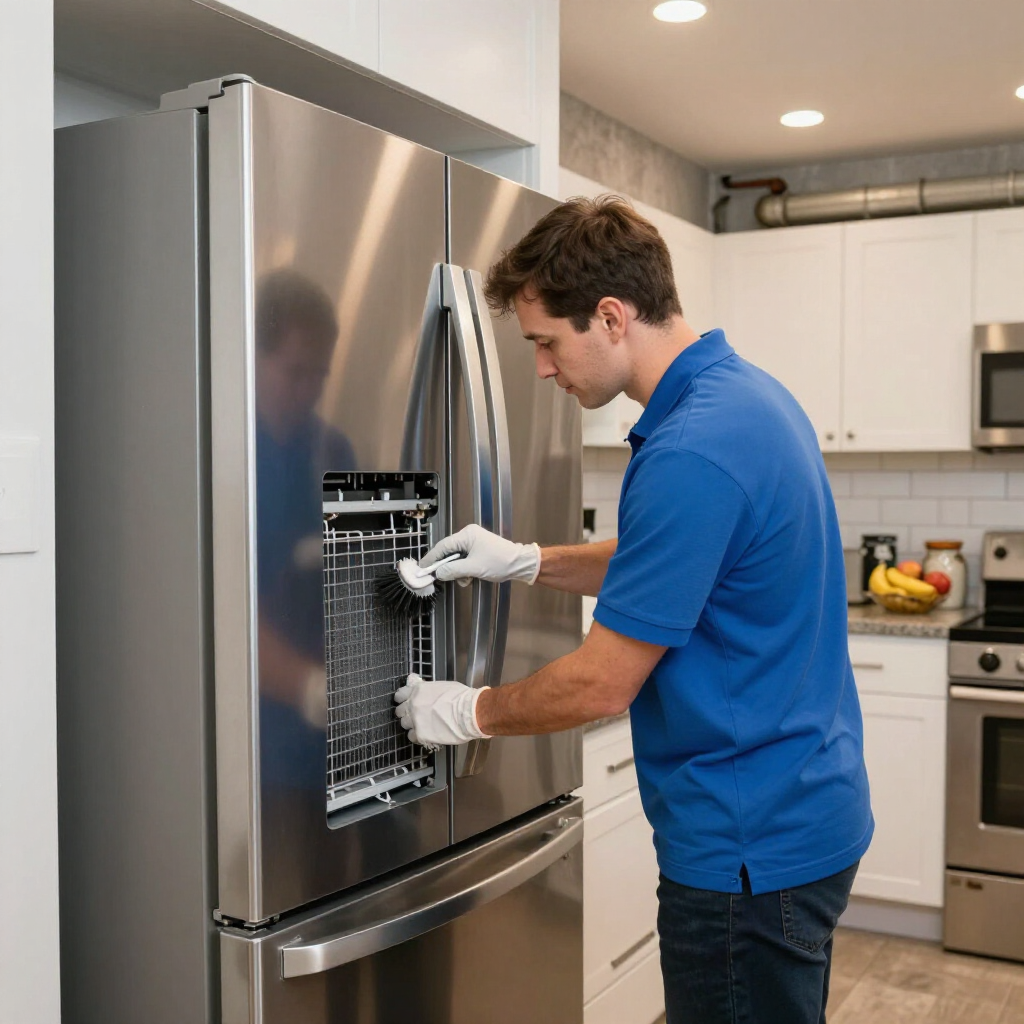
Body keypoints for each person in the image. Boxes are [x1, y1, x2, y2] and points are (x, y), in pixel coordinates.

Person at [394, 196, 873, 1024]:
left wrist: (468, 710)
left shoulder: (690, 447)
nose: (542, 369)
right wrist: (528, 561)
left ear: (610, 317)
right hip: (803, 811)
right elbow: (677, 567)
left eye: (546, 341)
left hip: (746, 849)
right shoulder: (748, 399)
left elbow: (601, 686)